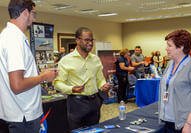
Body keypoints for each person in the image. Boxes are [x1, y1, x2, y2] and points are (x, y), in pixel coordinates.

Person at [0, 0, 58, 133]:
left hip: (18, 113)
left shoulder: (7, 36)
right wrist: (43, 77)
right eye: (33, 14)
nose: (34, 18)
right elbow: (17, 85)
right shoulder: (14, 40)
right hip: (23, 116)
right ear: (25, 13)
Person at [53, 27, 111, 132]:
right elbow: (57, 83)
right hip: (76, 103)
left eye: (91, 40)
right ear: (78, 40)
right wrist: (72, 89)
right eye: (87, 40)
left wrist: (103, 85)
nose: (90, 43)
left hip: (94, 102)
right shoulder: (66, 60)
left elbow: (100, 79)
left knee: (94, 130)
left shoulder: (95, 59)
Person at [159, 29, 191, 133]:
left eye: (169, 45)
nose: (166, 48)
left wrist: (189, 124)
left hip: (185, 124)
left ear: (180, 47)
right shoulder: (170, 64)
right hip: (168, 121)